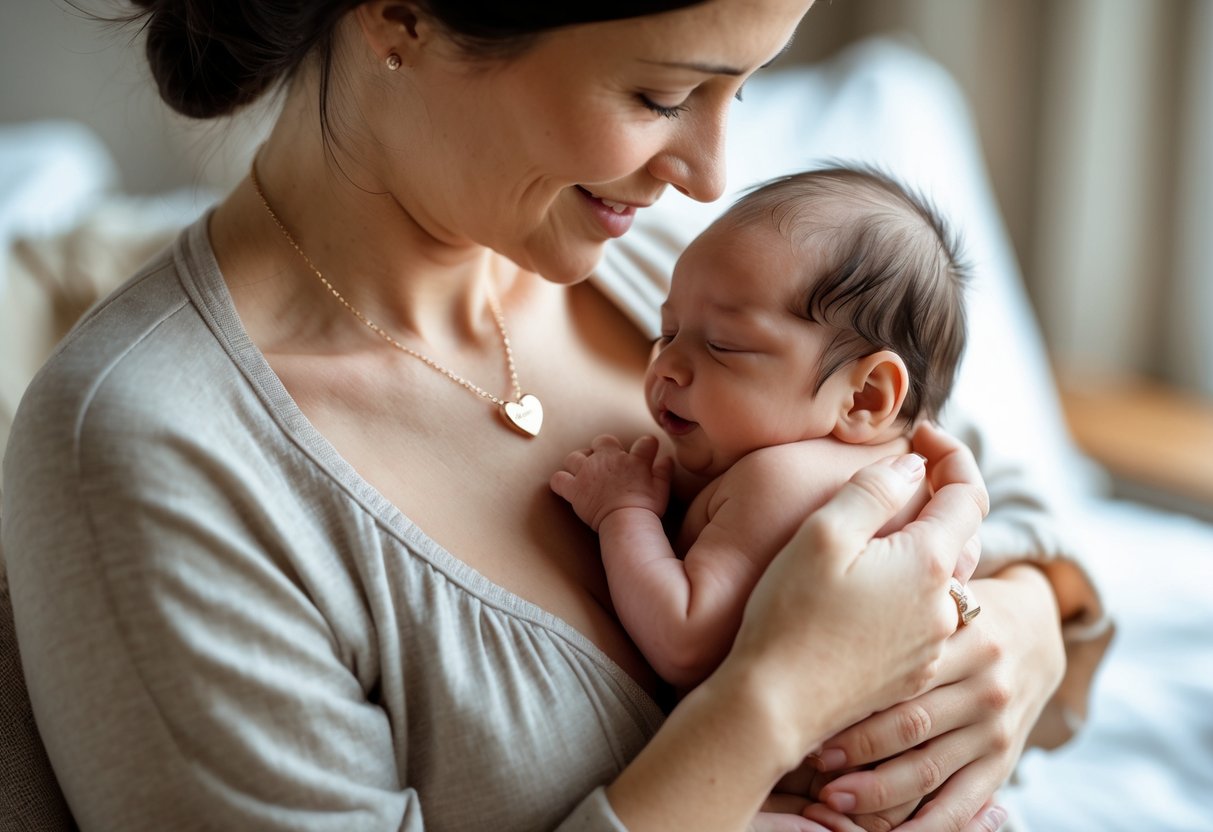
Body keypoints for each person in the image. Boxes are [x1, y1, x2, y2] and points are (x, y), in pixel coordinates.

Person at [1, 2, 1102, 830]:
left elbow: (1012, 515)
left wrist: (1022, 637)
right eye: (662, 96)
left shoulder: (674, 280)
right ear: (401, 17)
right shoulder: (154, 454)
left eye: (743, 90)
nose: (712, 175)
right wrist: (775, 699)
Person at [551, 166, 970, 692]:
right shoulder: (910, 463)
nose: (667, 365)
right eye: (669, 331)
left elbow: (684, 641)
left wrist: (623, 512)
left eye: (723, 344)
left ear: (865, 396)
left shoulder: (778, 481)